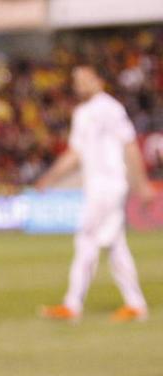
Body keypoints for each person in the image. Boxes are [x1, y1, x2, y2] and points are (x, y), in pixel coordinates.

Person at [36, 65, 152, 323]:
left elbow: (129, 144)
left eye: (85, 79)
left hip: (109, 185)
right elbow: (75, 154)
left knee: (86, 238)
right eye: (76, 80)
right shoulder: (82, 112)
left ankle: (72, 304)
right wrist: (50, 178)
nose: (80, 84)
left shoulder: (110, 108)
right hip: (97, 185)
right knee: (114, 244)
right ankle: (135, 304)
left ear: (99, 80)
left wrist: (141, 183)